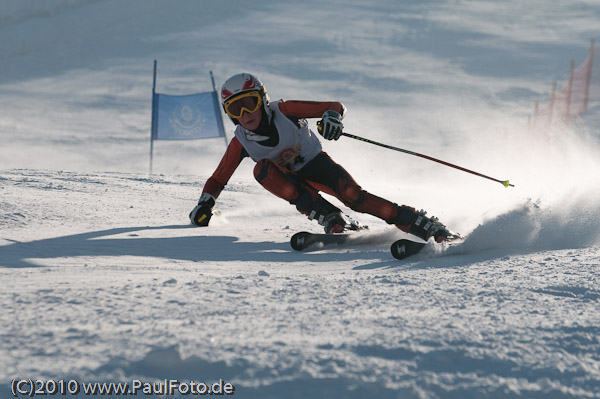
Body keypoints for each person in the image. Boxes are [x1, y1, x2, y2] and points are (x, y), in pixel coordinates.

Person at [189, 73, 450, 242]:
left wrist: (331, 119)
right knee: (262, 170)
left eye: (250, 103)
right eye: (235, 108)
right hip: (291, 181)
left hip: (317, 165)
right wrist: (205, 204)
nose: (245, 113)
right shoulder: (240, 142)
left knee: (353, 196)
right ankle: (328, 216)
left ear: (262, 100)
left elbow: (334, 106)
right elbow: (218, 178)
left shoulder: (284, 111)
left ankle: (416, 221)